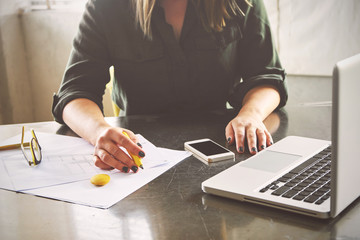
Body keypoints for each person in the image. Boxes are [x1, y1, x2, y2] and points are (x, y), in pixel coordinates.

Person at [52, 0, 288, 173]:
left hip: (223, 154)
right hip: (139, 159)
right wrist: (98, 132)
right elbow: (74, 93)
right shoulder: (107, 7)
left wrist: (251, 115)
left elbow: (266, 76)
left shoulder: (241, 2)